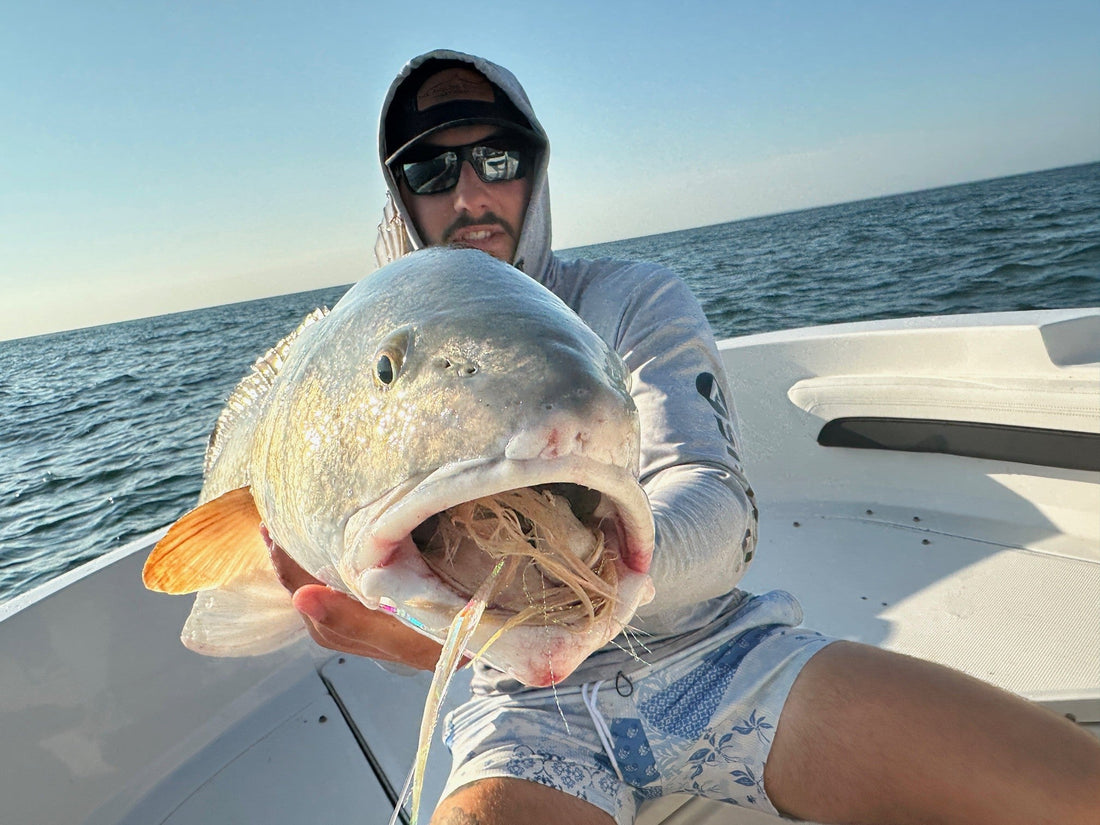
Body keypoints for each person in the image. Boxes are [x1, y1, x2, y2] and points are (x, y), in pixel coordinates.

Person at [268, 50, 1100, 824]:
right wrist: (418, 631)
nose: (469, 194)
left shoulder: (635, 299)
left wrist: (570, 594)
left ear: (537, 170)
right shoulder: (383, 368)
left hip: (717, 656)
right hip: (525, 710)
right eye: (431, 169)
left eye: (498, 159)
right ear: (400, 195)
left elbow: (717, 502)